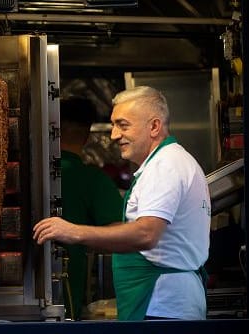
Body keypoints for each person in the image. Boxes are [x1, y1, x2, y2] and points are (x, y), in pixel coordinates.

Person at [34, 86, 210, 320]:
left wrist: (74, 232)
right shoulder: (164, 163)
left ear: (154, 126)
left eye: (123, 125)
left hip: (162, 307)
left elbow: (146, 234)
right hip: (158, 305)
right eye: (114, 125)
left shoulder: (165, 166)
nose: (114, 135)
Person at [58, 96, 123, 320]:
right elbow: (119, 235)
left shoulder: (22, 176)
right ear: (86, 137)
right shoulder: (93, 180)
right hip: (67, 298)